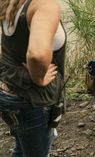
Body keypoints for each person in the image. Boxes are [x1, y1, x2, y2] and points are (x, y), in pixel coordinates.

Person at [0, 0, 66, 156]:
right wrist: (38, 78)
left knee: (22, 146)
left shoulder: (9, 2)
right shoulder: (44, 5)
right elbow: (37, 55)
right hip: (31, 101)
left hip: (8, 94)